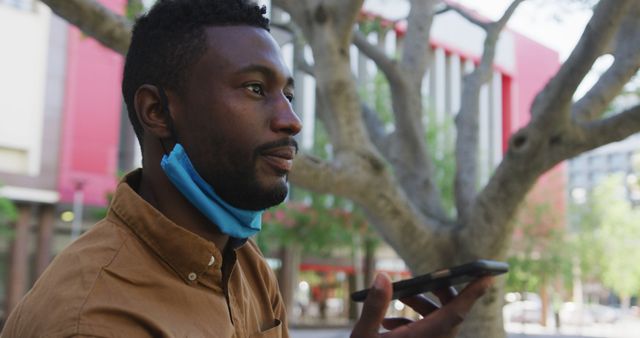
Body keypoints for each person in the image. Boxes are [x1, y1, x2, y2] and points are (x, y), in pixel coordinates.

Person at [0, 0, 493, 337]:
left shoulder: (246, 267)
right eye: (256, 89)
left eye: (289, 95)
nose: (292, 120)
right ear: (157, 112)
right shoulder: (94, 319)